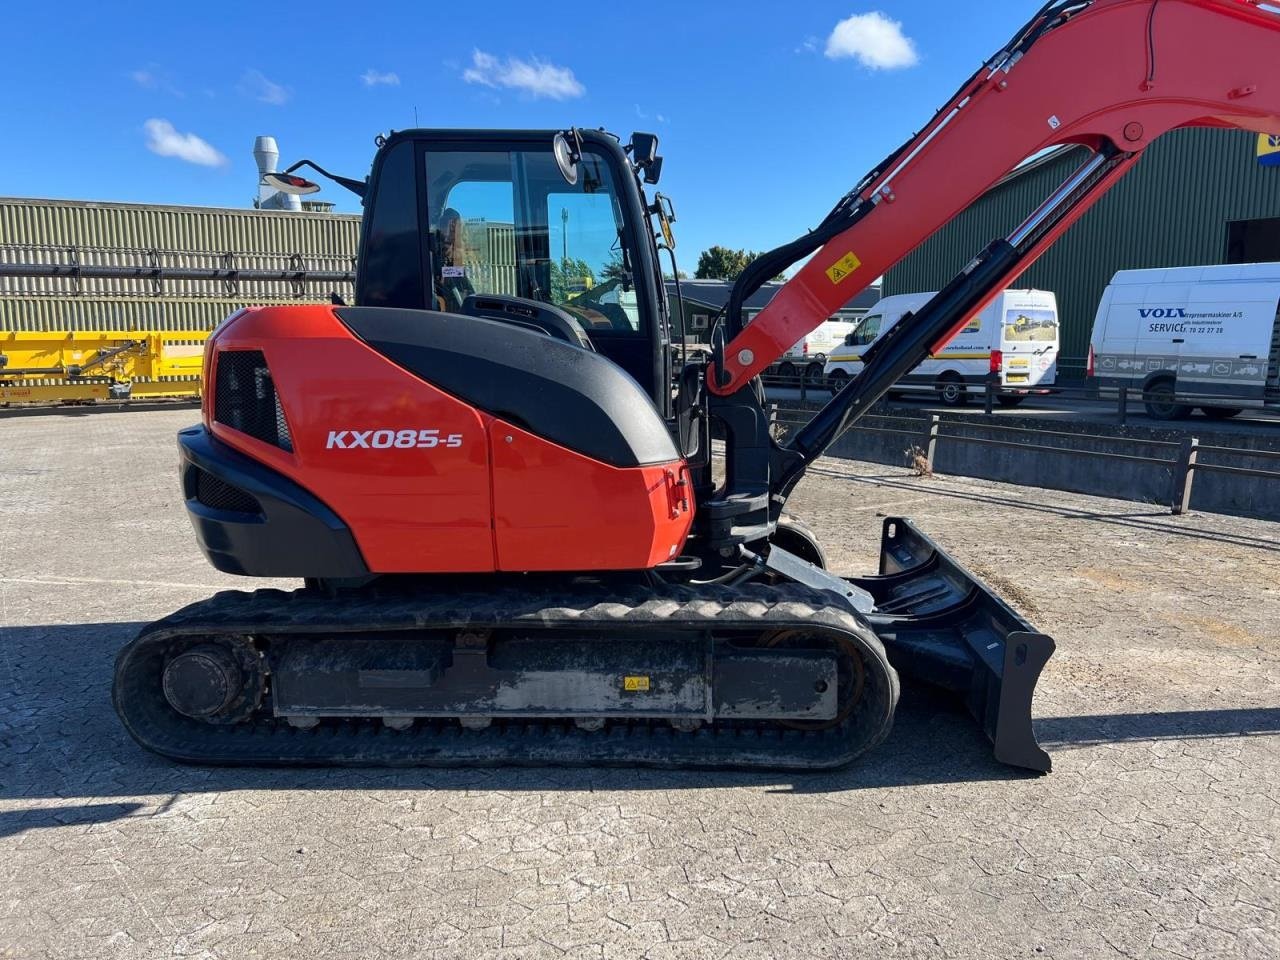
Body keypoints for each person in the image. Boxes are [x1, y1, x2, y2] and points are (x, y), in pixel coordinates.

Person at [434, 207, 475, 312]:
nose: (449, 231)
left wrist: (457, 250)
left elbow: (467, 292)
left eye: (455, 227)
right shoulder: (431, 260)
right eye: (445, 225)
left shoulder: (452, 266)